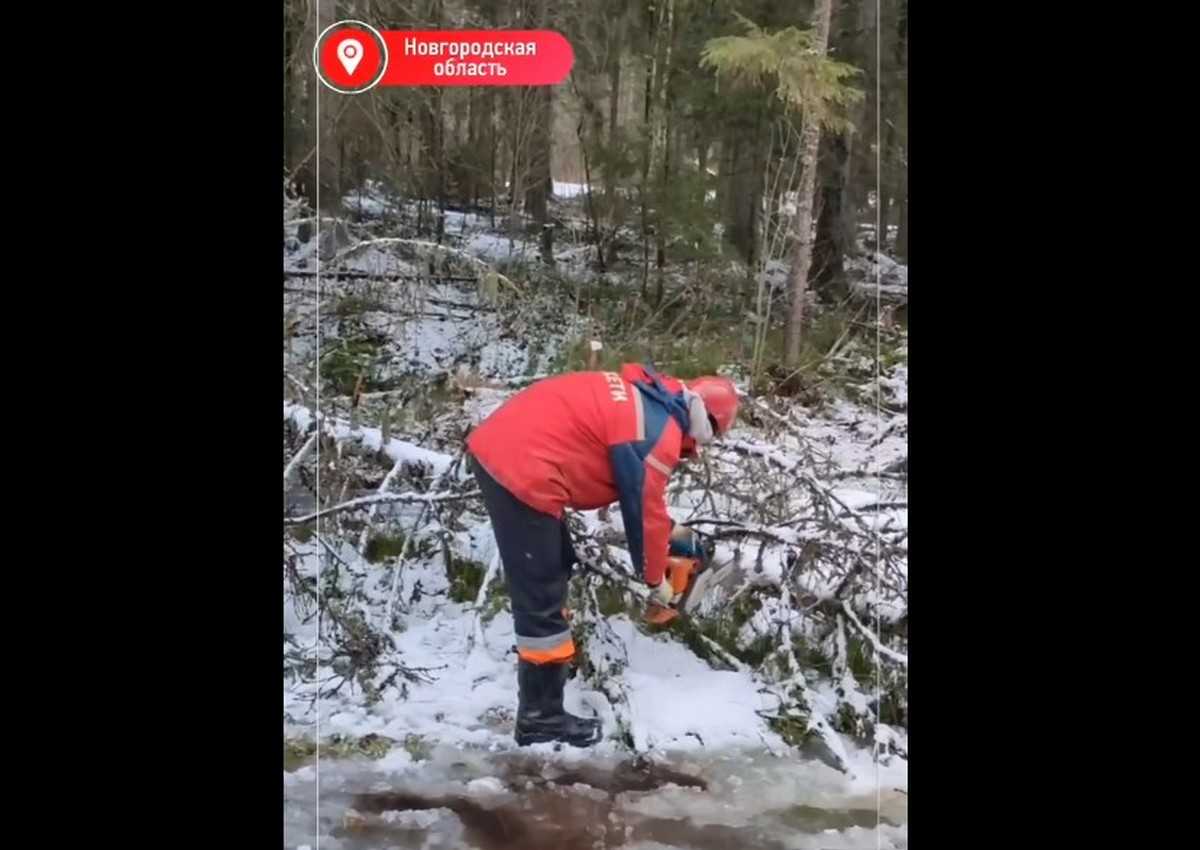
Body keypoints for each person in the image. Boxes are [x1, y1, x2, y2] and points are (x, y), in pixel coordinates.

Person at [466, 362, 739, 747]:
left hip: (510, 448)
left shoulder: (650, 402)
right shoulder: (657, 431)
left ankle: (548, 690)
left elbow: (643, 501)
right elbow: (642, 509)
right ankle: (540, 718)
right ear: (705, 422)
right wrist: (655, 583)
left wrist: (675, 536)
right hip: (523, 468)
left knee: (557, 563)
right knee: (540, 590)